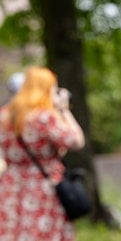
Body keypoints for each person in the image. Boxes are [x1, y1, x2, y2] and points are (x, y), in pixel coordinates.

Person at [0, 66, 85, 241]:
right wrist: (64, 110)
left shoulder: (5, 115)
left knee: (12, 232)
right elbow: (76, 141)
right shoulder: (43, 116)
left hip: (11, 183)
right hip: (41, 185)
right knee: (40, 231)